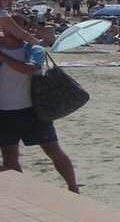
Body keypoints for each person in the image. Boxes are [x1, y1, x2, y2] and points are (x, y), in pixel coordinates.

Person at [0, 24, 79, 192]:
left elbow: (28, 69)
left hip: (32, 110)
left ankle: (73, 188)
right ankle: (19, 191)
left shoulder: (33, 49)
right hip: (4, 111)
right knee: (9, 153)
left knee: (52, 149)